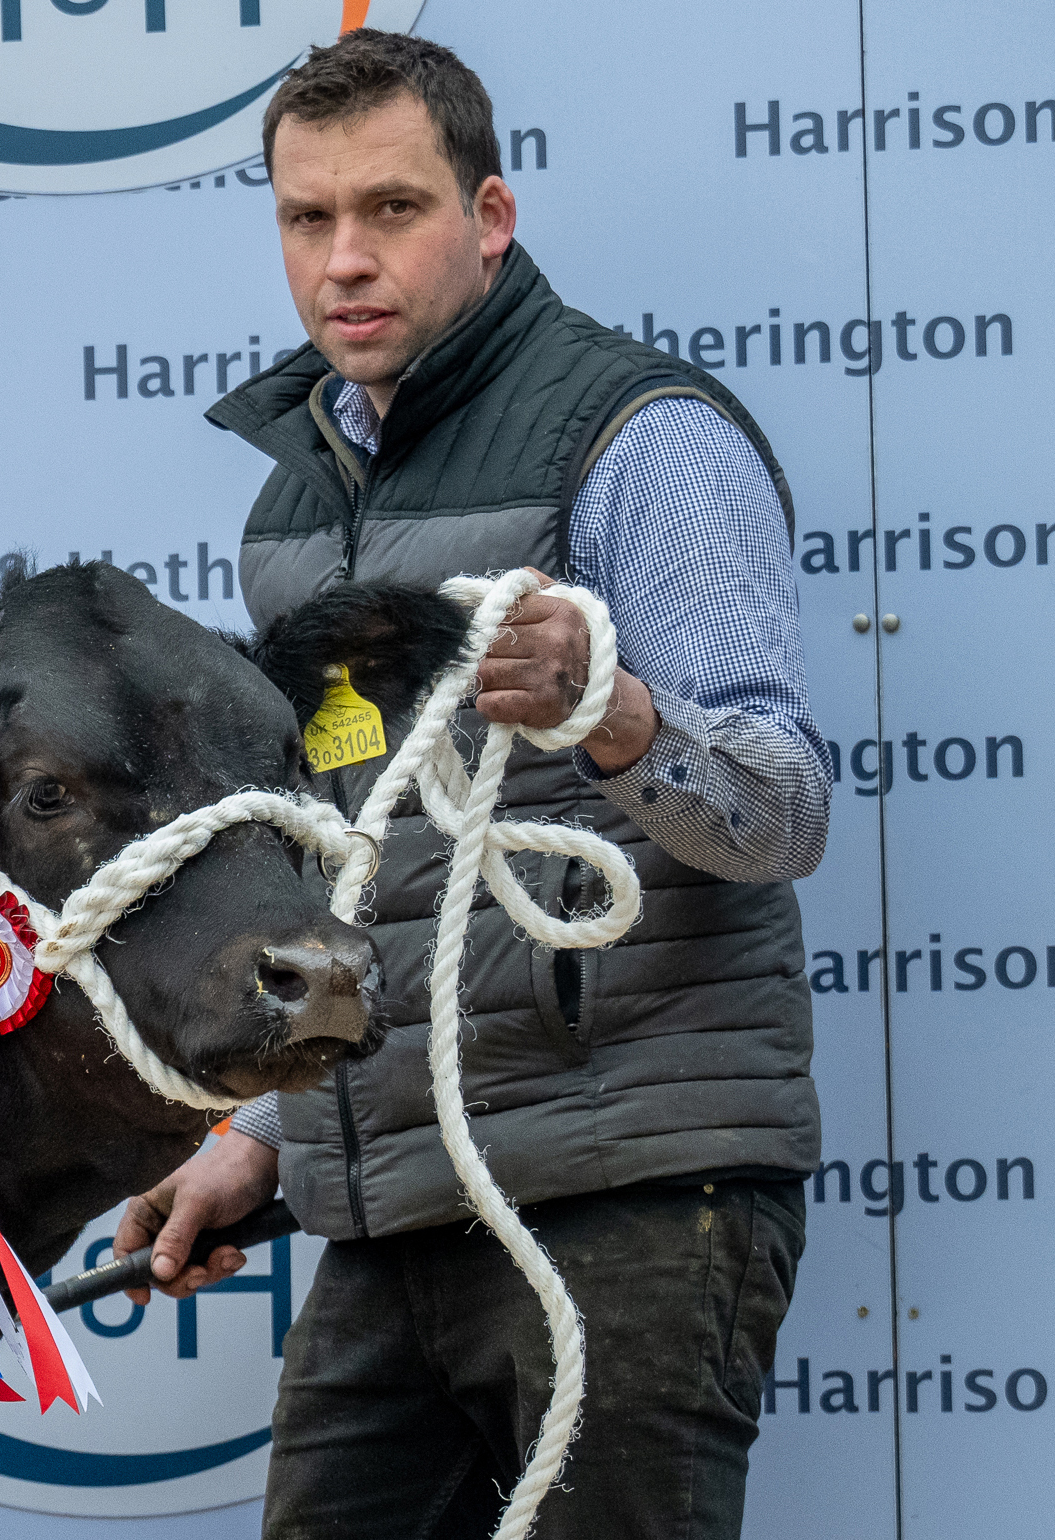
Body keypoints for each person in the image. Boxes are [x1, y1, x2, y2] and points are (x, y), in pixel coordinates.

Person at [114, 30, 828, 1540]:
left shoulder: (642, 438)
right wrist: (252, 1147)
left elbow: (782, 814)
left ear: (490, 218)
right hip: (382, 1207)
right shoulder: (293, 507)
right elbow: (368, 871)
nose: (344, 261)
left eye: (392, 210)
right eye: (309, 220)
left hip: (627, 1189)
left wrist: (614, 718)